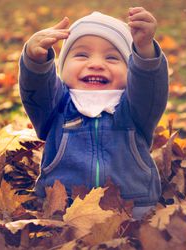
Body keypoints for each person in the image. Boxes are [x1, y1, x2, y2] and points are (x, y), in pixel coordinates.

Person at [18, 7, 169, 219]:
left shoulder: (134, 107)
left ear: (130, 71)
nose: (96, 64)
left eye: (112, 58)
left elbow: (150, 88)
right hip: (63, 208)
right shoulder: (57, 104)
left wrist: (145, 52)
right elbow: (37, 90)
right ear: (63, 66)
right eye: (81, 54)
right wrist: (35, 63)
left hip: (133, 207)